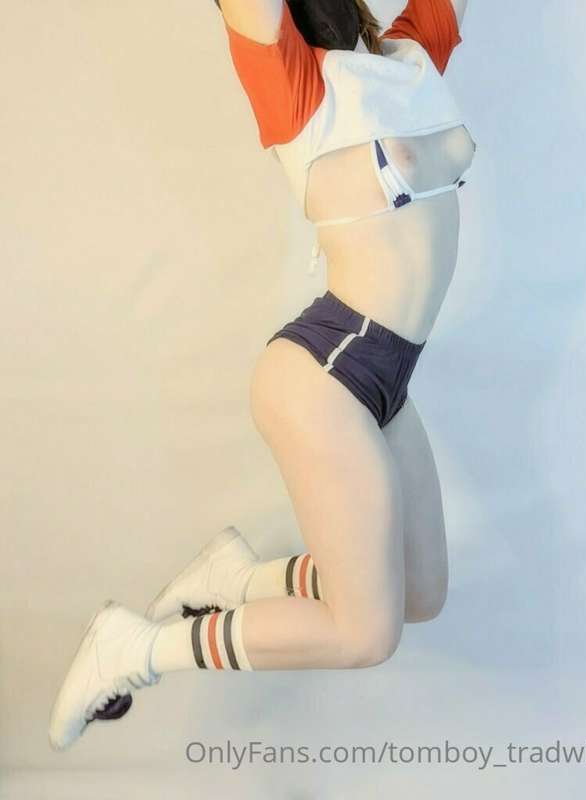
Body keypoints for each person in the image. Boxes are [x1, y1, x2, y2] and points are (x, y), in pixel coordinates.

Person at [49, 0, 476, 751]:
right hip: (322, 380)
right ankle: (133, 648)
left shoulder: (411, 60)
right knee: (364, 634)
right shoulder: (295, 84)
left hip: (387, 379)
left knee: (421, 592)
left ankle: (235, 580)